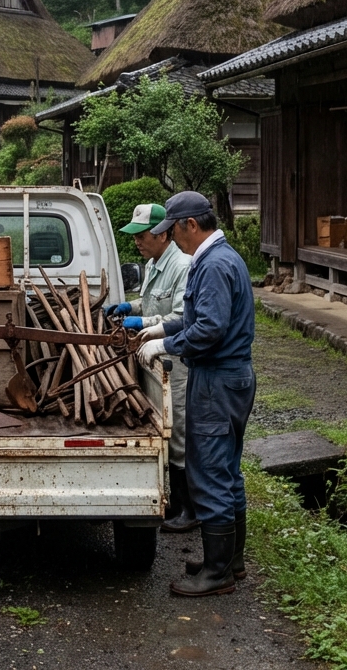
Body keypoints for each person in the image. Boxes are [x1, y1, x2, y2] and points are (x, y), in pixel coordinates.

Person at [133, 191, 256, 598]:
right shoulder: (219, 258)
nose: (174, 239)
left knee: (210, 474)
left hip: (217, 379)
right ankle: (229, 562)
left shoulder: (214, 263)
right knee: (227, 472)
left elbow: (210, 328)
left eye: (174, 230)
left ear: (190, 225)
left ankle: (217, 572)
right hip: (229, 377)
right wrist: (162, 328)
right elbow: (197, 316)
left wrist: (168, 346)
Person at [103, 203, 194, 531]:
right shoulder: (154, 263)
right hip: (153, 358)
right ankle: (176, 503)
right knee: (164, 429)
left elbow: (182, 317)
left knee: (179, 431)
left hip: (177, 361)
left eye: (142, 236)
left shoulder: (183, 266)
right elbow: (156, 301)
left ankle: (189, 510)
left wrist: (142, 320)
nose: (137, 242)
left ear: (163, 233)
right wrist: (131, 305)